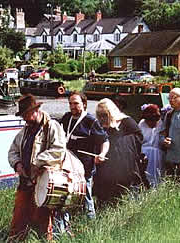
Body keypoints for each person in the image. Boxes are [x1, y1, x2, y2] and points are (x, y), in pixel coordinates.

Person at [8, 94, 67, 241]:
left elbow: (59, 150)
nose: (24, 118)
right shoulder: (25, 130)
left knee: (42, 221)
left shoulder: (52, 126)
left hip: (43, 183)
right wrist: (17, 164)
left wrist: (37, 162)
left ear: (35, 111)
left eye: (25, 114)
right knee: (18, 219)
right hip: (25, 182)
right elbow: (13, 151)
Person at [60, 91, 109, 219]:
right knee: (66, 197)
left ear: (84, 104)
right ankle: (66, 225)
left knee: (86, 196)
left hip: (84, 168)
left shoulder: (91, 121)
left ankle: (91, 223)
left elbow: (105, 141)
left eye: (76, 103)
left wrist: (102, 154)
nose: (72, 107)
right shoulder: (66, 118)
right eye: (70, 103)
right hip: (67, 166)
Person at [93, 98, 144, 204]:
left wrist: (121, 145)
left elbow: (139, 138)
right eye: (100, 115)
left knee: (123, 192)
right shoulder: (100, 125)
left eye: (104, 115)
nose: (102, 118)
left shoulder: (127, 121)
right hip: (106, 164)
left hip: (124, 164)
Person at [138, 104, 164, 188]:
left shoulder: (161, 123)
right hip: (144, 153)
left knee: (156, 176)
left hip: (157, 155)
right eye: (148, 120)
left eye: (153, 120)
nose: (150, 123)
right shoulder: (142, 123)